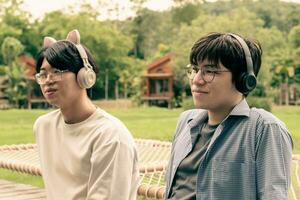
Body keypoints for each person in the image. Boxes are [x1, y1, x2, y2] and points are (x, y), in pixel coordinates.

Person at [164, 32, 293, 200]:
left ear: (243, 79)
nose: (196, 80)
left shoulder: (265, 129)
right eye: (195, 70)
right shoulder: (186, 121)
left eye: (209, 71)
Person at [33, 29, 139, 200]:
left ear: (85, 76)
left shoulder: (110, 136)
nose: (48, 80)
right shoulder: (43, 126)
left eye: (58, 71)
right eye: (43, 74)